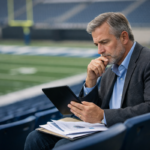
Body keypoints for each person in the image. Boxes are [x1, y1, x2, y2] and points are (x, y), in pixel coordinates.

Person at [24, 12, 150, 150]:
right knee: (35, 137)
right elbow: (93, 109)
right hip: (104, 129)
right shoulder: (110, 71)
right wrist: (91, 81)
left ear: (124, 37)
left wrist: (103, 115)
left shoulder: (146, 61)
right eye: (97, 44)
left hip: (131, 135)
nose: (99, 51)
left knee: (63, 146)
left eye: (104, 42)